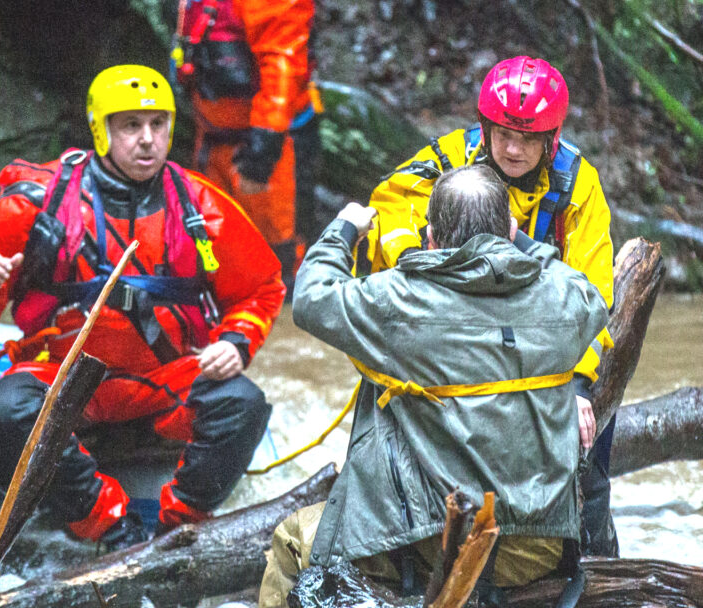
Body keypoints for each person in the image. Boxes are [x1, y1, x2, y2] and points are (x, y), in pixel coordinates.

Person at [0, 65, 285, 550]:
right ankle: (105, 526)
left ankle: (175, 528)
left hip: (163, 380)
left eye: (158, 125)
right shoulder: (36, 204)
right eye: (130, 126)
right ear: (101, 130)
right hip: (61, 375)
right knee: (8, 411)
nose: (147, 140)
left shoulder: (200, 206)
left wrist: (236, 340)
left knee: (242, 405)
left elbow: (261, 288)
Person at [259, 165, 609, 607]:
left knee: (292, 540)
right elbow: (585, 290)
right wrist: (516, 240)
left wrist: (344, 228)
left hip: (437, 545)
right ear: (510, 228)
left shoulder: (399, 300)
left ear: (431, 239)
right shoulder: (565, 298)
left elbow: (311, 298)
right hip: (538, 549)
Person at [365, 55, 618, 556]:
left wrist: (577, 383)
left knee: (591, 434)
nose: (512, 148)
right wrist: (416, 259)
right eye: (502, 133)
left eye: (527, 138)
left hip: (539, 337)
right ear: (485, 126)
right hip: (454, 330)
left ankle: (589, 542)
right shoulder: (447, 159)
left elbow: (594, 294)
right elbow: (385, 210)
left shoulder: (577, 185)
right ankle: (402, 538)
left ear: (551, 137)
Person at [166, 0, 320, 291]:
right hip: (213, 134)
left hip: (267, 144)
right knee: (211, 246)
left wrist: (263, 147)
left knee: (273, 258)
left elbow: (283, 68)